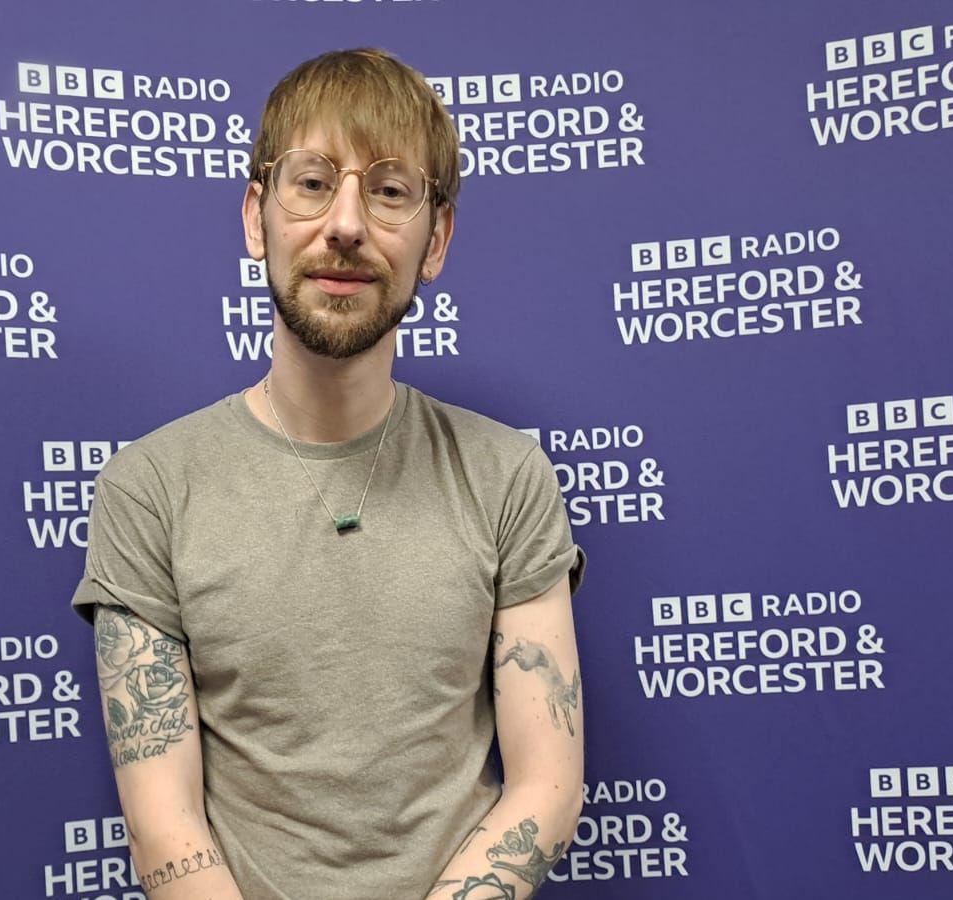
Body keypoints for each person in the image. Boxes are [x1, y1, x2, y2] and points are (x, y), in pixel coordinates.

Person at [71, 47, 587, 900]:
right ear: (255, 215)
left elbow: (546, 785)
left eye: (389, 191)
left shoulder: (507, 475)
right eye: (312, 182)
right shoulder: (150, 487)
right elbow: (163, 821)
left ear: (436, 239)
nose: (345, 224)